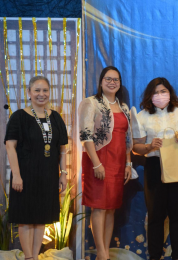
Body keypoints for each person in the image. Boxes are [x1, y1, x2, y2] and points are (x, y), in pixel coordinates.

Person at [131, 77, 178, 260]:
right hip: (154, 166)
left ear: (170, 93)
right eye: (156, 92)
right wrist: (149, 146)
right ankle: (155, 256)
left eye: (163, 91)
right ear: (149, 96)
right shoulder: (142, 116)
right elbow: (136, 147)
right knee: (155, 216)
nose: (160, 96)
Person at [4, 76, 68, 260]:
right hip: (25, 175)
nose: (42, 94)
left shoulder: (55, 117)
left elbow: (62, 149)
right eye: (37, 90)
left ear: (50, 92)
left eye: (45, 90)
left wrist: (63, 173)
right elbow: (10, 146)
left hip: (48, 175)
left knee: (41, 218)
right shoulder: (19, 116)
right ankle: (29, 257)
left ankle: (35, 256)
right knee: (25, 218)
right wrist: (16, 175)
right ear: (29, 93)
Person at [79, 66, 133, 260]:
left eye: (116, 79)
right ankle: (101, 253)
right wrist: (96, 163)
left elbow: (128, 139)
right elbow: (85, 136)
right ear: (101, 82)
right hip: (98, 160)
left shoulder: (125, 107)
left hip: (118, 162)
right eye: (108, 79)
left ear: (120, 83)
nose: (112, 82)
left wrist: (128, 163)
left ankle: (106, 250)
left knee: (111, 208)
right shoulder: (91, 103)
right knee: (99, 207)